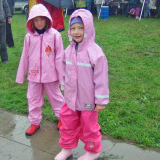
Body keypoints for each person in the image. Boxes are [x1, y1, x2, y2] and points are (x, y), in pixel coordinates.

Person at [55, 9, 109, 160]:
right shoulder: (68, 50)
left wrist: (100, 100)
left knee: (89, 127)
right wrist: (64, 86)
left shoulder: (95, 53)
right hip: (71, 99)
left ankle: (93, 151)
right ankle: (67, 148)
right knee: (67, 124)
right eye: (73, 28)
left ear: (88, 28)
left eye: (81, 27)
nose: (76, 31)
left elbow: (101, 78)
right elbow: (64, 70)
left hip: (88, 101)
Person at [15, 4, 65, 136]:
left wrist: (62, 78)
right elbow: (24, 57)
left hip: (51, 75)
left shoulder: (55, 35)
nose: (39, 23)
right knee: (33, 98)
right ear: (31, 21)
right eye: (35, 20)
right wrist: (21, 76)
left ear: (47, 19)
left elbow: (60, 57)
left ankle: (62, 119)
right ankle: (34, 123)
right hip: (34, 75)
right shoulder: (29, 37)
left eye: (41, 19)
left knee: (56, 98)